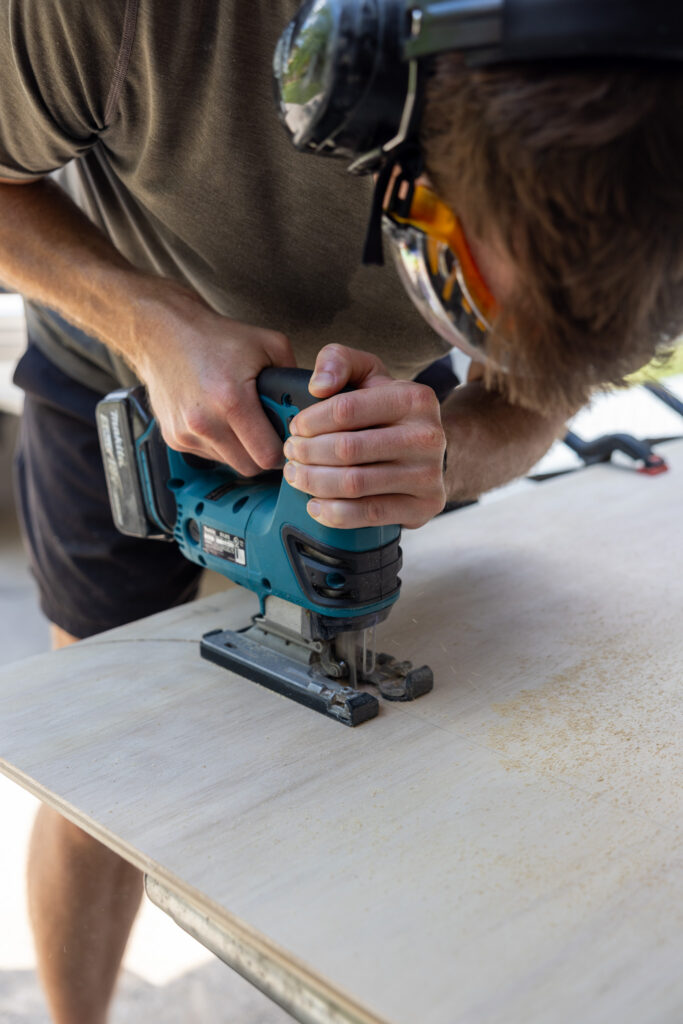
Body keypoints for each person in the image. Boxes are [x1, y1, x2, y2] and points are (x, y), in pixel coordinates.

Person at [0, 2, 682, 1021]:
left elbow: (538, 391)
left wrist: (446, 453)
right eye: (475, 273)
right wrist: (151, 321)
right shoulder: (117, 15)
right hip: (117, 370)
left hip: (399, 398)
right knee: (108, 778)